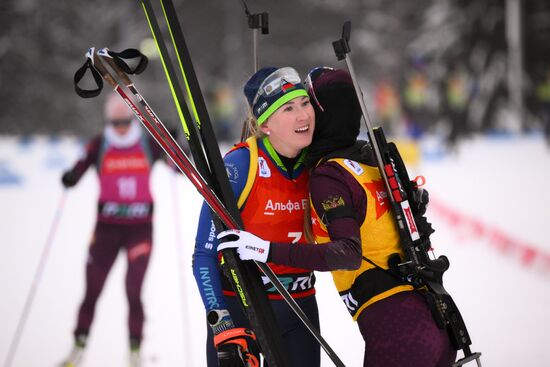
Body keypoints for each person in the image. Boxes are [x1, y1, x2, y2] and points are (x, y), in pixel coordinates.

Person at [218, 67, 457, 367]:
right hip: (435, 318)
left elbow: (347, 254)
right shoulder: (371, 158)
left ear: (324, 113)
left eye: (308, 104)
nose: (304, 116)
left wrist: (265, 249)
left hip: (398, 328)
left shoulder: (330, 175)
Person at [192, 66, 320, 367]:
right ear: (265, 125)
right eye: (288, 108)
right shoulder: (239, 166)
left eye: (305, 103)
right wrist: (220, 320)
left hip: (299, 309)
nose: (303, 115)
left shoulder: (319, 164)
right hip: (240, 308)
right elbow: (204, 254)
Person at [59, 93, 169, 367]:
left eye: (125, 121)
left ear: (132, 119)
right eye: (115, 122)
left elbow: (179, 165)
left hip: (139, 230)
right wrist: (70, 177)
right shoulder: (100, 144)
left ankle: (135, 352)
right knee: (92, 290)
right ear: (109, 120)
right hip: (106, 229)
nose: (120, 127)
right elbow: (78, 169)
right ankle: (78, 346)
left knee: (133, 291)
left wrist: (173, 140)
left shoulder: (146, 142)